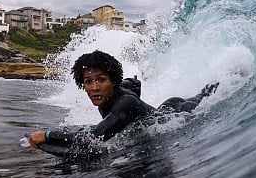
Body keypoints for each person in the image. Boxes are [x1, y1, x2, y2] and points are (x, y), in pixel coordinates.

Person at [28, 50, 218, 150]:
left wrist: (47, 135)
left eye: (101, 80)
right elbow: (133, 83)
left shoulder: (125, 103)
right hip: (160, 109)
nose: (94, 88)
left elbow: (94, 139)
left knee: (204, 96)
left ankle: (223, 77)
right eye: (88, 82)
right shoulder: (117, 90)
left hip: (176, 112)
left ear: (112, 81)